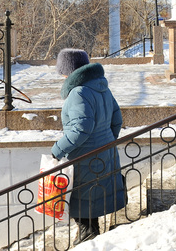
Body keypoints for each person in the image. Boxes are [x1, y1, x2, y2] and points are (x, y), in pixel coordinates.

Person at [51, 48, 126, 244]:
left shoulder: (78, 92)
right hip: (105, 153)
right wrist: (107, 140)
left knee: (83, 202)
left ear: (69, 70)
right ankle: (90, 236)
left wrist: (57, 150)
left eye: (63, 71)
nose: (62, 76)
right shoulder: (101, 87)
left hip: (86, 158)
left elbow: (81, 129)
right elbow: (117, 120)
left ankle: (87, 239)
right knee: (95, 198)